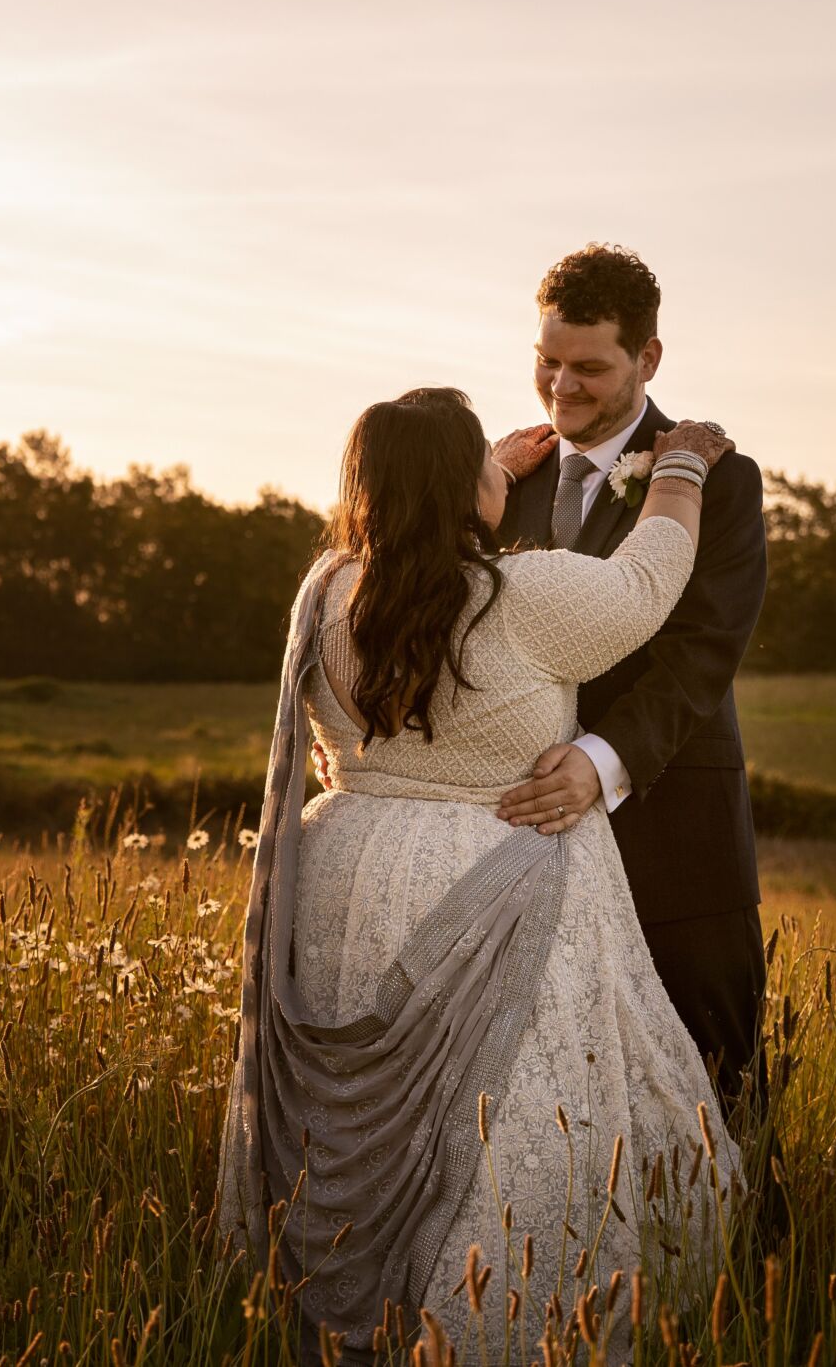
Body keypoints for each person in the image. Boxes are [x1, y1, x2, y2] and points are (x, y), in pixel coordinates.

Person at [219, 384, 742, 1365]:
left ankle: (346, 1308)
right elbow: (647, 582)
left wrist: (478, 468)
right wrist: (678, 468)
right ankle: (481, 1327)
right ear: (466, 483)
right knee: (505, 1123)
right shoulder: (523, 593)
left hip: (346, 876)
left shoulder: (326, 586)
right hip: (488, 870)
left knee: (350, 1124)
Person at [488, 244, 770, 1125]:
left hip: (675, 839)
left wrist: (599, 761)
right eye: (547, 361)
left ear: (648, 358)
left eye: (589, 367)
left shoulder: (719, 479)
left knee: (715, 1103)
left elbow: (701, 654)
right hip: (528, 842)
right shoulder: (505, 479)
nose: (561, 387)